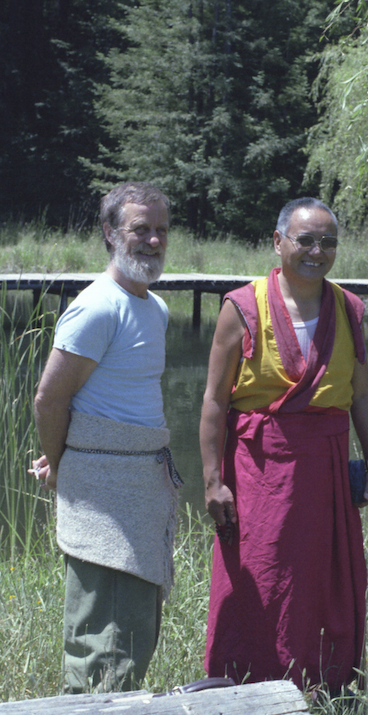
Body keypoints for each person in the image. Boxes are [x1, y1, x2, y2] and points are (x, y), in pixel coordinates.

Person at [199, 197, 368, 695]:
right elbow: (216, 400)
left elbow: (362, 393)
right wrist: (213, 481)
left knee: (325, 580)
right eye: (306, 240)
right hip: (261, 469)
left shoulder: (347, 308)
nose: (317, 251)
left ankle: (324, 688)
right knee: (259, 576)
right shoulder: (242, 306)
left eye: (328, 242)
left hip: (326, 465)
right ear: (278, 242)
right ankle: (243, 688)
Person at [31, 181, 182, 693]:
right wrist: (63, 463)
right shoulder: (98, 306)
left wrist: (64, 458)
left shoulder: (154, 309)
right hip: (103, 497)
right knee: (103, 645)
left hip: (138, 491)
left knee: (133, 633)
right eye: (140, 228)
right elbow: (49, 401)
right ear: (110, 232)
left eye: (161, 229)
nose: (153, 240)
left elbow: (111, 400)